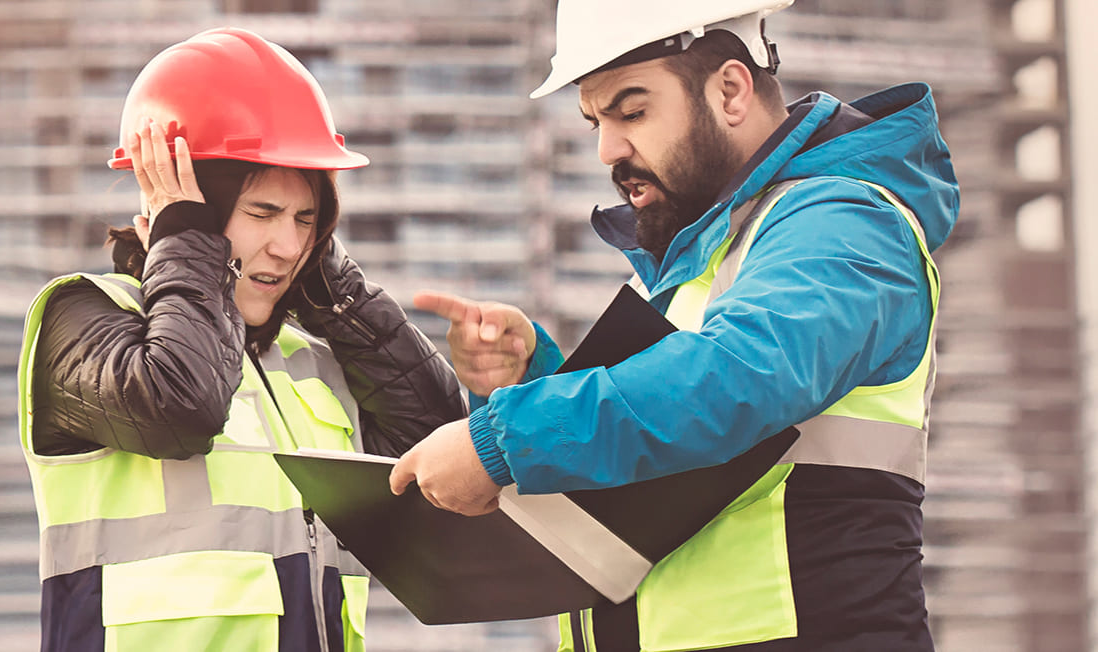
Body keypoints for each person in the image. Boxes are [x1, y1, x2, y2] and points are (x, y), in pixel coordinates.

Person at [389, 0, 957, 650]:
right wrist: (531, 376)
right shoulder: (700, 258)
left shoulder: (844, 224)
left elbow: (733, 379)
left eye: (632, 111)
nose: (608, 148)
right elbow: (656, 443)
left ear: (731, 91)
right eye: (595, 120)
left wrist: (505, 438)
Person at [16, 27, 466, 652]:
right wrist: (189, 243)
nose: (286, 246)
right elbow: (182, 406)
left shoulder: (307, 363)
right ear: (181, 208)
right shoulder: (83, 320)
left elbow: (437, 441)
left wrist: (331, 287)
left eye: (306, 220)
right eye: (261, 213)